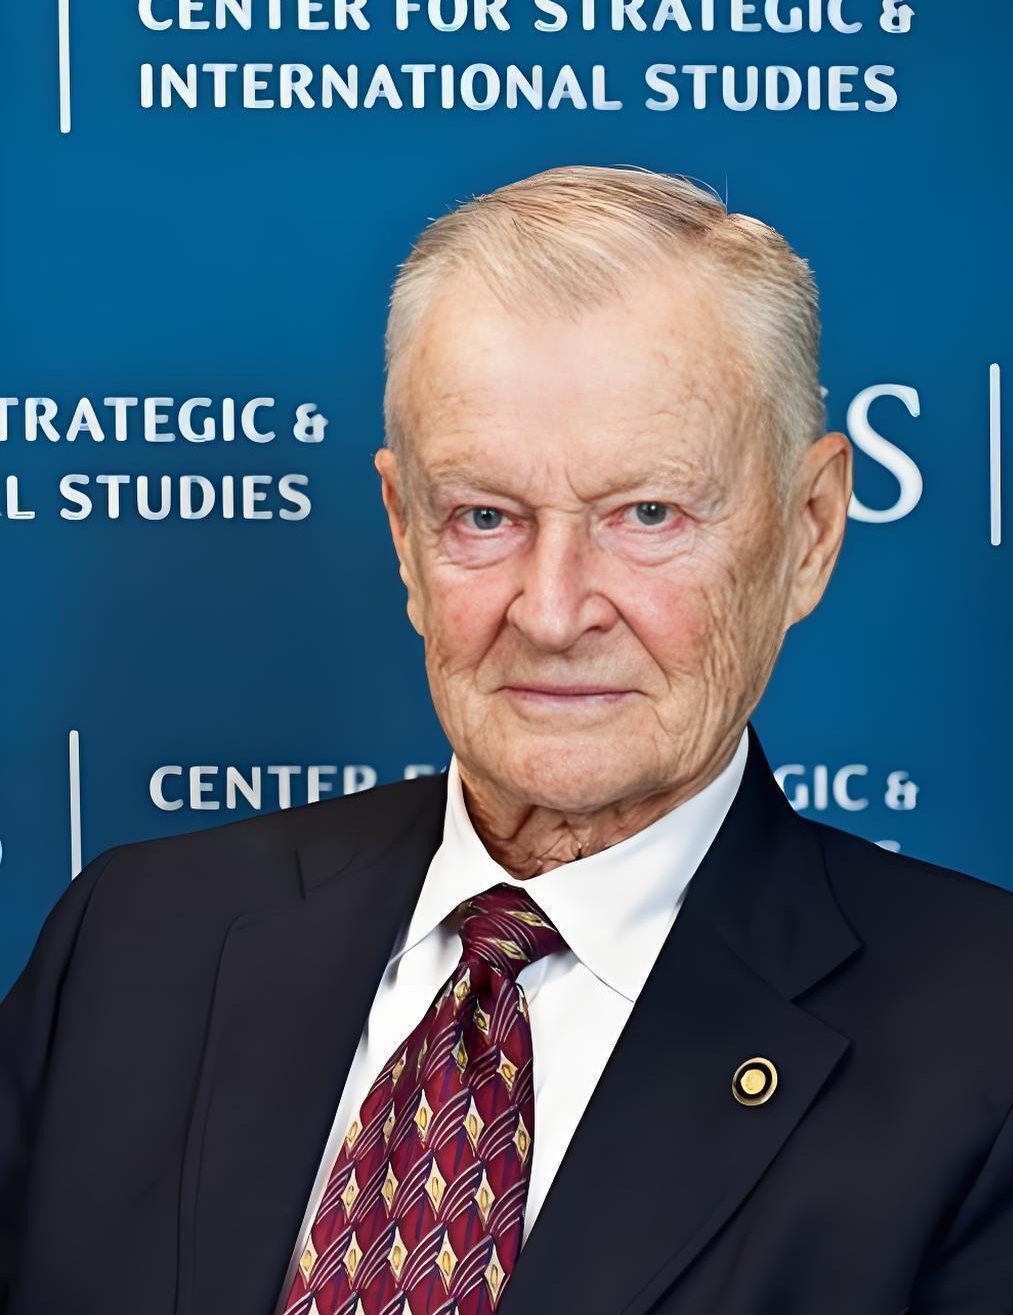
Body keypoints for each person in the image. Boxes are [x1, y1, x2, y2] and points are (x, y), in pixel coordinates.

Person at [2, 166, 1012, 1315]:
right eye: (484, 515)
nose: (552, 610)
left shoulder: (981, 1044)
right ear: (404, 534)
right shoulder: (133, 942)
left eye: (646, 514)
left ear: (809, 531)